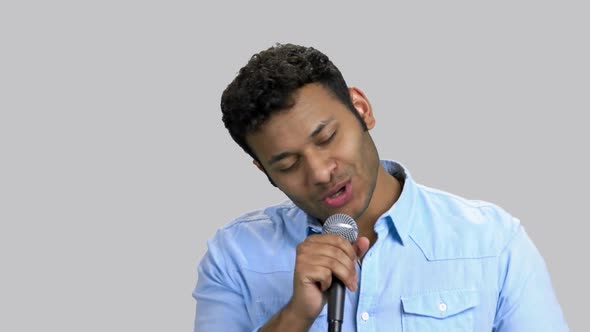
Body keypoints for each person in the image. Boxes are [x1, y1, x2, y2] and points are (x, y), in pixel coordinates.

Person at [193, 43, 568, 331]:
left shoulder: (492, 241)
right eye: (289, 164)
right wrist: (295, 316)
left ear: (361, 108)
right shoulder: (235, 257)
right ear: (264, 171)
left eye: (326, 138)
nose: (321, 172)